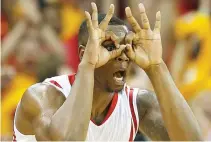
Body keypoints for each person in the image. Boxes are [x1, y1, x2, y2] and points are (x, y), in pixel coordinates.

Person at [13, 3, 202, 141]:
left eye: (126, 47)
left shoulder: (137, 104)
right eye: (110, 47)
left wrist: (156, 67)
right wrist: (87, 65)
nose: (122, 55)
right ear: (83, 53)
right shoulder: (43, 97)